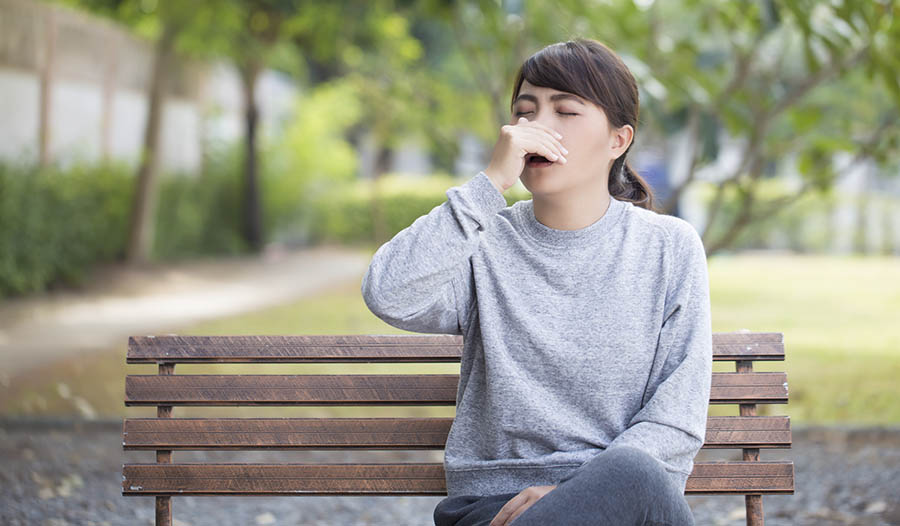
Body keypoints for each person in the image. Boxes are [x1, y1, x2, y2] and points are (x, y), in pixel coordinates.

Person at [360, 37, 712, 526]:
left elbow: (675, 419)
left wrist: (572, 494)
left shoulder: (669, 248)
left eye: (565, 111)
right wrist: (488, 186)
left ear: (619, 140)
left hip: (626, 503)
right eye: (525, 112)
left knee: (637, 473)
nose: (536, 127)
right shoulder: (482, 243)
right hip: (495, 509)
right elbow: (388, 293)